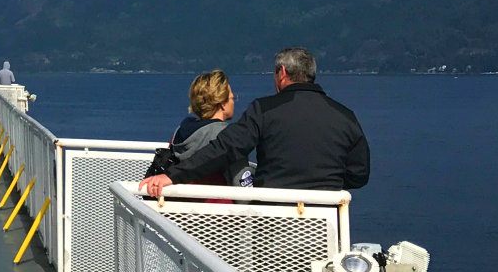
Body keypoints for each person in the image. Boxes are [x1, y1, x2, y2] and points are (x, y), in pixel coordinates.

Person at [139, 48, 370, 196]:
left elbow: (226, 147)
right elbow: (359, 175)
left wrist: (173, 175)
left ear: (281, 73)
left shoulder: (264, 110)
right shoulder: (345, 116)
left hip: (275, 222)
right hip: (327, 221)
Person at [140, 71, 244, 190]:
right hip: (218, 204)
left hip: (182, 202)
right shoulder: (226, 135)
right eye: (232, 98)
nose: (233, 101)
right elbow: (241, 180)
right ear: (222, 103)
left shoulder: (180, 131)